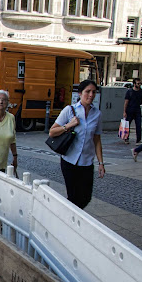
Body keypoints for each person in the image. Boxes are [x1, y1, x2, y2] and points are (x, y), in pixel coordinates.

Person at [49, 80, 105, 209]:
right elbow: (52, 132)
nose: (91, 95)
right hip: (70, 160)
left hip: (86, 161)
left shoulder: (97, 114)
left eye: (93, 92)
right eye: (87, 92)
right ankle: (71, 222)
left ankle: (70, 216)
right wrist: (68, 125)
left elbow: (96, 139)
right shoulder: (69, 110)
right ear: (80, 93)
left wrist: (101, 163)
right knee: (73, 196)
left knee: (86, 197)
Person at [123, 78, 142, 145]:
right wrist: (124, 111)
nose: (139, 85)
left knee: (138, 125)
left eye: (140, 83)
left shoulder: (141, 91)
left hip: (137, 110)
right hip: (130, 110)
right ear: (134, 84)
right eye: (138, 83)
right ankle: (126, 138)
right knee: (127, 125)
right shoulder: (129, 92)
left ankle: (138, 140)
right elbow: (126, 102)